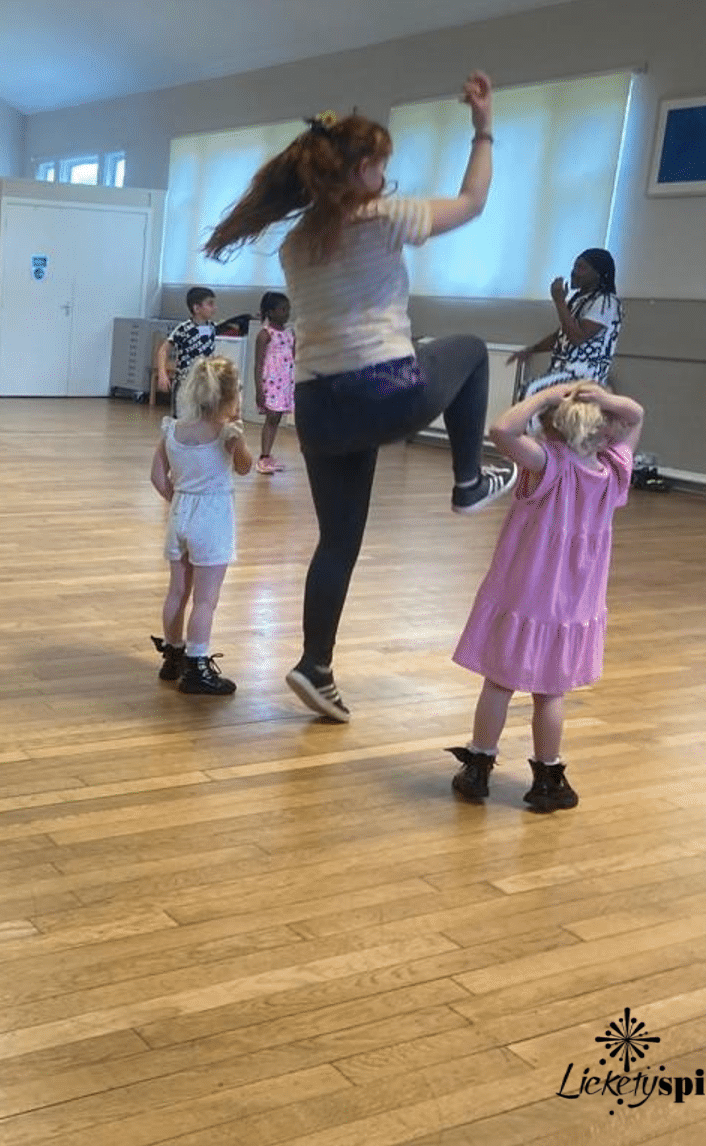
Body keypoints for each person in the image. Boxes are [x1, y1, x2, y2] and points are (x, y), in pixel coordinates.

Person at [202, 73, 516, 724]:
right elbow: (473, 201)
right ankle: (468, 481)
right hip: (382, 389)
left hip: (319, 408)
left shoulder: (296, 244)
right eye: (380, 164)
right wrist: (483, 128)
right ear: (360, 170)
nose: (386, 176)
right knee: (470, 348)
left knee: (337, 541)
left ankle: (315, 666)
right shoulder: (383, 217)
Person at [447, 383, 644, 813]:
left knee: (499, 682)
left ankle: (478, 767)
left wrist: (545, 395)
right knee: (551, 693)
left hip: (524, 597)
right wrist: (604, 400)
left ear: (553, 427)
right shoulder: (613, 470)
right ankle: (548, 779)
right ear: (603, 430)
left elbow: (502, 429)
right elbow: (636, 414)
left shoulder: (546, 463)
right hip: (573, 606)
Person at [149, 356, 253, 695]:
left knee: (177, 592)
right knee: (205, 600)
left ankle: (172, 655)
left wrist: (179, 501)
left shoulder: (173, 429)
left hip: (180, 513)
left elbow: (157, 476)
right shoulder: (226, 433)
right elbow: (245, 468)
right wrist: (239, 439)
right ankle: (197, 666)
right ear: (230, 396)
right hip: (212, 518)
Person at [508, 248, 623, 400]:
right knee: (530, 391)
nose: (574, 272)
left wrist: (559, 301)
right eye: (574, 267)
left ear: (598, 274)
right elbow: (561, 336)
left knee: (530, 391)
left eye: (581, 268)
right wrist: (531, 350)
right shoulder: (579, 299)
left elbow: (577, 338)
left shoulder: (606, 302)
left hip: (585, 376)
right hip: (563, 372)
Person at [252, 290, 294, 474]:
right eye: (283, 309)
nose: (287, 313)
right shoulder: (265, 335)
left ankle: (267, 456)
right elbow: (258, 364)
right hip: (271, 384)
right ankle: (263, 458)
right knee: (271, 419)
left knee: (276, 419)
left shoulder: (290, 334)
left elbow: (293, 359)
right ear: (270, 312)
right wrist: (259, 390)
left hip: (284, 384)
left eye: (288, 309)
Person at [155, 287, 217, 404]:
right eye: (210, 304)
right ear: (196, 308)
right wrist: (162, 373)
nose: (214, 308)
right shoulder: (184, 328)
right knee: (182, 413)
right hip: (185, 382)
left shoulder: (212, 327)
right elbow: (163, 350)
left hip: (205, 382)